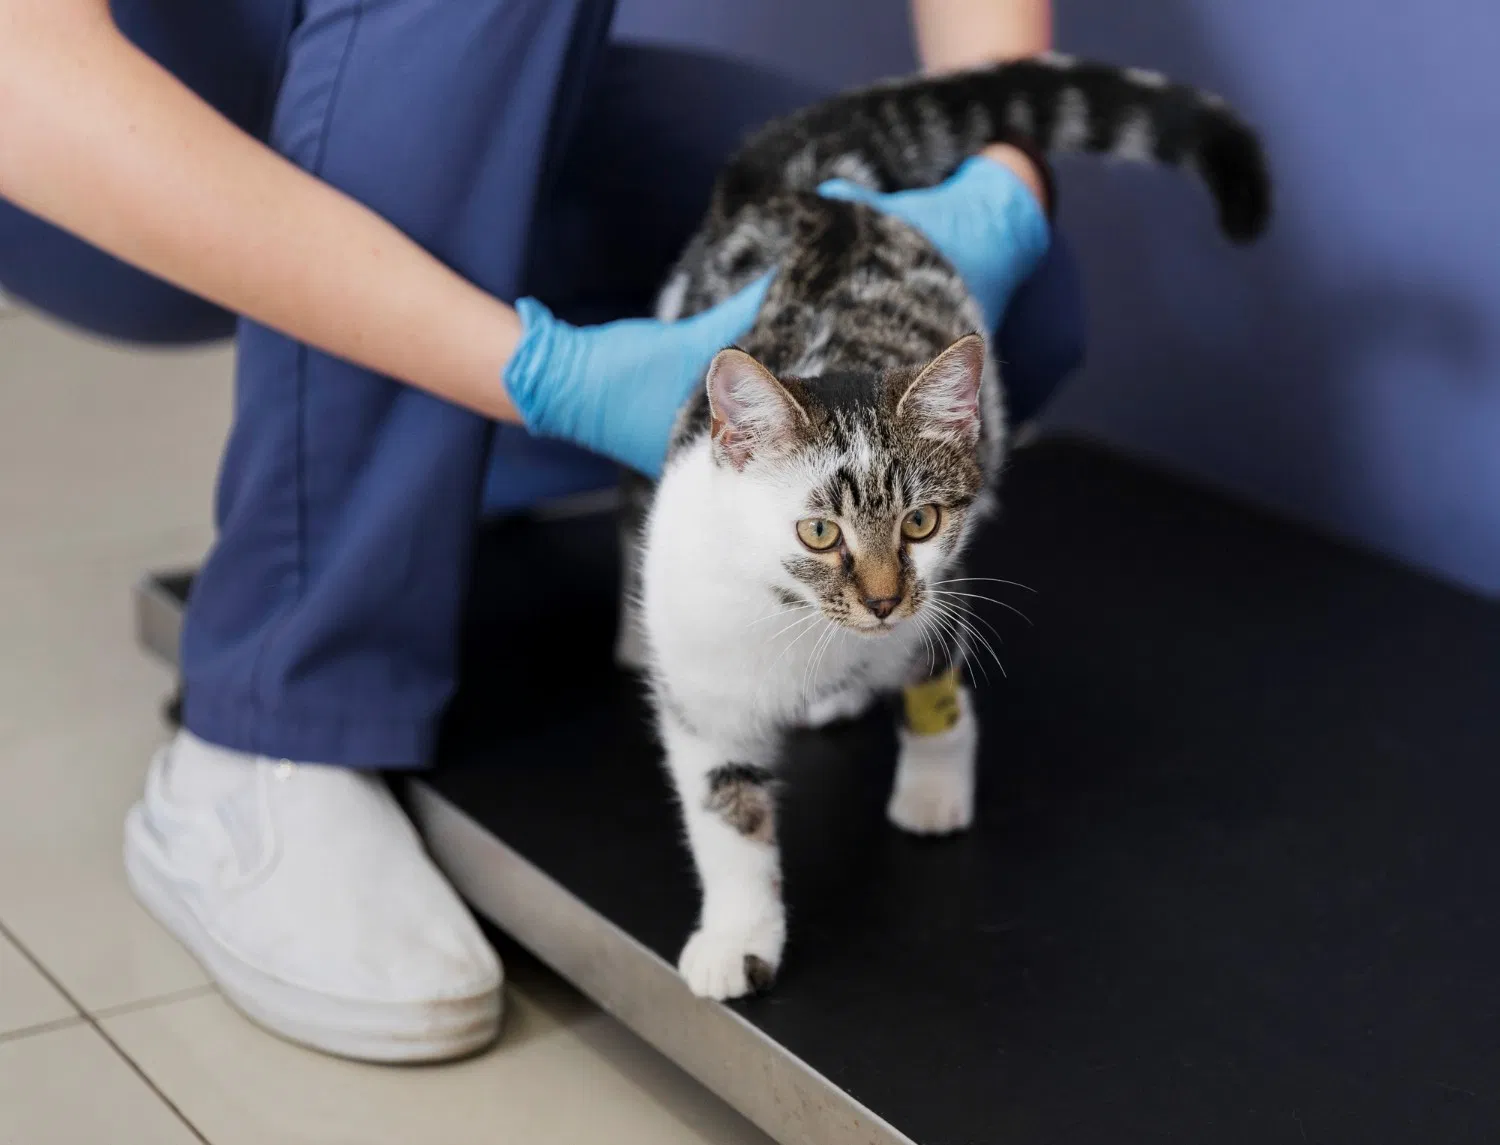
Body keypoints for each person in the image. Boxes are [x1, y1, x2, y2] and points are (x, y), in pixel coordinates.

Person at [0, 0, 1083, 1062]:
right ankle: (271, 724)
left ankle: (430, 455)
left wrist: (1005, 173)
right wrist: (538, 375)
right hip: (85, 120)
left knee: (1013, 312)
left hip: (404, 75)